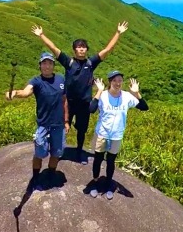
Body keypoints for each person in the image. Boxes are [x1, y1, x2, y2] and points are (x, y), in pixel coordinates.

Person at [32, 21, 128, 164]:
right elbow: (53, 48)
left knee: (82, 130)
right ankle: (59, 151)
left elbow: (108, 49)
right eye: (78, 47)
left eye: (83, 47)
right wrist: (41, 35)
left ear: (86, 50)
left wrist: (118, 32)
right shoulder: (68, 62)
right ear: (74, 50)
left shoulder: (91, 63)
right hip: (68, 103)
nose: (81, 49)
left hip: (84, 103)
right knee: (63, 126)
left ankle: (79, 152)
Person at [6, 51, 70, 190]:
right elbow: (26, 92)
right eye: (44, 63)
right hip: (43, 124)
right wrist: (15, 93)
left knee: (56, 152)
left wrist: (66, 121)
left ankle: (51, 174)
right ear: (40, 66)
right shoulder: (36, 80)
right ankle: (35, 177)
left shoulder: (61, 79)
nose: (47, 66)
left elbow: (64, 101)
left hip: (58, 125)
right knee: (39, 153)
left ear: (53, 65)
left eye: (50, 63)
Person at [88, 71, 148, 199]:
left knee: (111, 161)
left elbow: (144, 107)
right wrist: (99, 91)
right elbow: (91, 109)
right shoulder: (103, 96)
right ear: (110, 82)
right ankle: (95, 182)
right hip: (102, 134)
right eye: (114, 80)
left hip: (116, 136)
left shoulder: (126, 97)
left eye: (120, 80)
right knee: (97, 159)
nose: (117, 83)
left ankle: (108, 184)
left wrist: (136, 93)